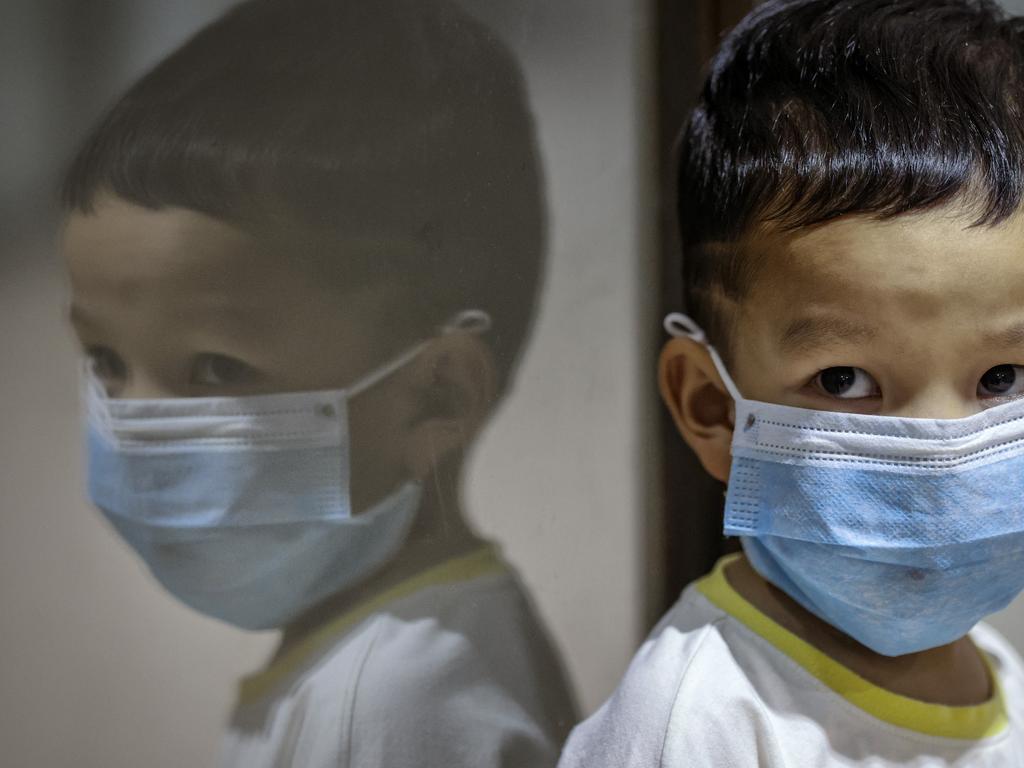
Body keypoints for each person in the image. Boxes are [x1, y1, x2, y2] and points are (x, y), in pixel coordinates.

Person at [59, 0, 578, 765]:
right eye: (106, 362)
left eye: (216, 368)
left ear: (437, 395)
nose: (132, 426)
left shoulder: (392, 711)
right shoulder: (410, 655)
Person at [558, 0, 1024, 764]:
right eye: (844, 379)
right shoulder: (690, 729)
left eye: (1002, 376)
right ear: (714, 410)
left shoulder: (991, 663)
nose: (942, 461)